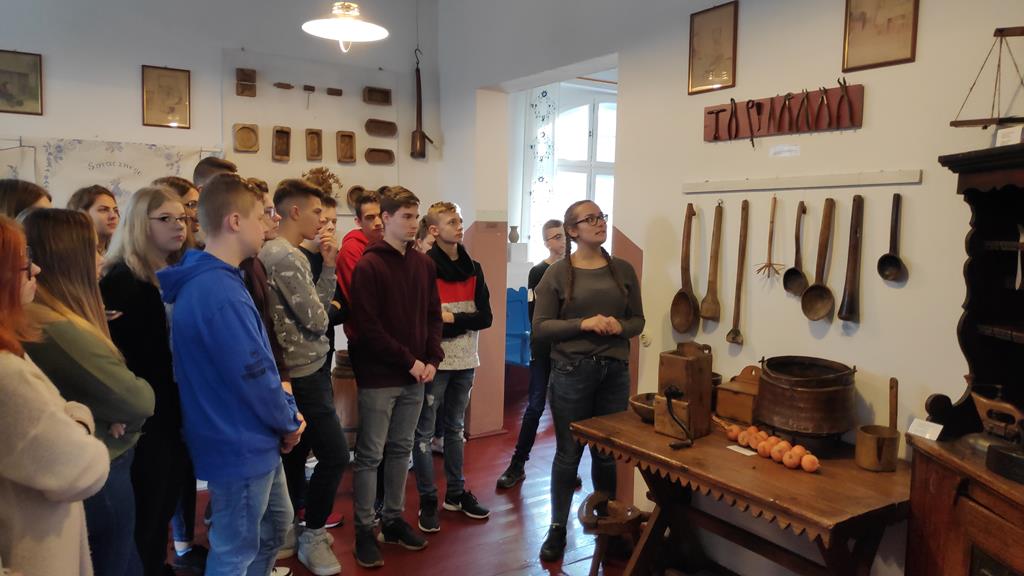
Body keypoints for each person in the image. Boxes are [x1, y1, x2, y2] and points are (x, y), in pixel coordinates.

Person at [157, 173, 304, 576]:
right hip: (239, 440)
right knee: (234, 551)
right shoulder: (217, 292)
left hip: (255, 436)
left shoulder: (224, 279)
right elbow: (253, 376)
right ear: (235, 221)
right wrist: (289, 420)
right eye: (261, 215)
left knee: (275, 526)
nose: (269, 223)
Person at [20, 208, 156, 576]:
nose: (101, 259)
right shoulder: (56, 327)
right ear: (70, 259)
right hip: (102, 469)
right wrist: (114, 414)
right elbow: (139, 400)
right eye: (94, 249)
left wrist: (111, 411)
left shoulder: (56, 317)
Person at [532, 200, 645, 562]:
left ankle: (606, 526)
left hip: (614, 372)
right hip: (571, 372)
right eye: (590, 219)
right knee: (568, 454)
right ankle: (557, 528)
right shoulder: (557, 273)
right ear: (572, 230)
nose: (599, 223)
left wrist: (618, 326)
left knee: (606, 454)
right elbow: (541, 327)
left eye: (601, 217)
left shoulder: (622, 270)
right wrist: (583, 323)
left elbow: (638, 321)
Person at [0, 215, 110, 576]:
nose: (35, 270)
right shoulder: (7, 374)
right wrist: (81, 421)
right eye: (23, 264)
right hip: (32, 553)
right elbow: (80, 468)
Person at [348, 186, 442, 568]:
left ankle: (392, 520)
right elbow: (367, 328)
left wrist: (432, 357)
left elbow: (433, 315)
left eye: (415, 216)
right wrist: (410, 361)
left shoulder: (423, 264)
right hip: (380, 375)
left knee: (401, 449)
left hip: (416, 374)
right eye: (406, 216)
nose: (413, 223)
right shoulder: (369, 265)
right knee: (370, 455)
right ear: (385, 218)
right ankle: (363, 530)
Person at [99, 186, 189, 576]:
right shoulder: (122, 279)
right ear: (140, 223)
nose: (178, 226)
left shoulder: (167, 274)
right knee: (145, 512)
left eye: (181, 217)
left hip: (168, 408)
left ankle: (156, 565)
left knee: (163, 505)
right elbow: (115, 356)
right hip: (140, 416)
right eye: (165, 219)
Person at [259, 178, 346, 575]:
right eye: (316, 213)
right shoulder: (285, 255)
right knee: (335, 454)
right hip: (305, 373)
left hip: (299, 369)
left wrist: (326, 267)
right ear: (294, 211)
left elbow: (315, 310)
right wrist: (330, 268)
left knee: (296, 455)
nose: (322, 221)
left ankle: (290, 534)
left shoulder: (281, 252)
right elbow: (318, 319)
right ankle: (313, 535)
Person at [413, 202, 493, 533]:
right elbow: (424, 320)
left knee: (456, 428)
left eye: (460, 220)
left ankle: (456, 494)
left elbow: (485, 318)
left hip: (466, 360)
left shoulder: (474, 267)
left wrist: (452, 318)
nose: (459, 226)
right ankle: (428, 499)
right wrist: (453, 321)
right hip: (436, 362)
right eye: (451, 222)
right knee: (424, 433)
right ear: (434, 230)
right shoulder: (424, 267)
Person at [497, 219, 567, 489]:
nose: (561, 241)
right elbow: (534, 313)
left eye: (563, 235)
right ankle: (517, 464)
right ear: (546, 242)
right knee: (535, 406)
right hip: (543, 348)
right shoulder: (538, 272)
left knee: (567, 410)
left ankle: (567, 467)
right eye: (554, 237)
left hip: (569, 352)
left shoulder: (577, 270)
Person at [153, 176, 201, 252]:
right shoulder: (159, 254)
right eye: (192, 204)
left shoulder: (200, 250)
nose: (200, 211)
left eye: (200, 204)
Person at [68, 185, 120, 254]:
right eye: (103, 210)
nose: (113, 216)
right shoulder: (71, 255)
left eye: (115, 211)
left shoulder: (121, 254)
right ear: (82, 215)